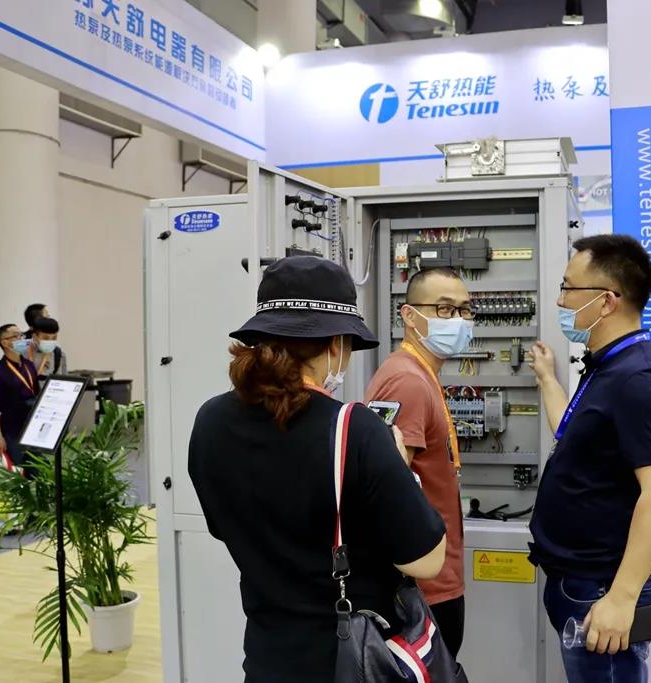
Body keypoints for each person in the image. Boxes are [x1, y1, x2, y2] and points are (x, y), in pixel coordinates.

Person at [188, 256, 447, 683]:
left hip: (268, 658)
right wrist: (400, 471)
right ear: (335, 344)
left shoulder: (210, 420)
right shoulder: (354, 428)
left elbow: (228, 527)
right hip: (349, 662)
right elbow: (427, 560)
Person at [528, 234, 651, 683]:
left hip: (602, 588)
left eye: (568, 287)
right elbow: (572, 433)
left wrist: (622, 597)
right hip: (579, 580)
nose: (560, 300)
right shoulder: (608, 366)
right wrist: (548, 381)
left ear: (607, 301)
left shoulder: (639, 377)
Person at [364, 266, 471, 658]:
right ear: (409, 315)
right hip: (421, 589)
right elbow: (387, 492)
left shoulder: (419, 374)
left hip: (432, 579)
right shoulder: (407, 381)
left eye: (464, 310)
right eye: (444, 309)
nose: (457, 320)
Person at [0, 324, 39, 470]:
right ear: (5, 343)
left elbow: (36, 394)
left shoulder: (29, 365)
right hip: (12, 430)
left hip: (33, 428)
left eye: (22, 335)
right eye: (17, 335)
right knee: (18, 471)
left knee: (37, 470)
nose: (22, 338)